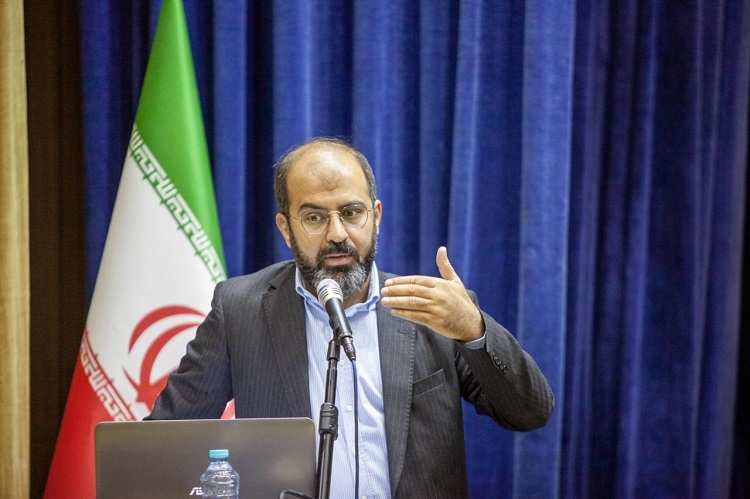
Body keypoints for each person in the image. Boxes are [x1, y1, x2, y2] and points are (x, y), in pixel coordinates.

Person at [147, 137, 554, 498]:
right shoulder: (240, 310)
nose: (337, 234)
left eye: (351, 213)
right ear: (286, 229)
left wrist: (474, 330)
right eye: (314, 218)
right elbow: (162, 443)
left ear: (376, 216)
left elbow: (530, 412)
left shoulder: (435, 311)